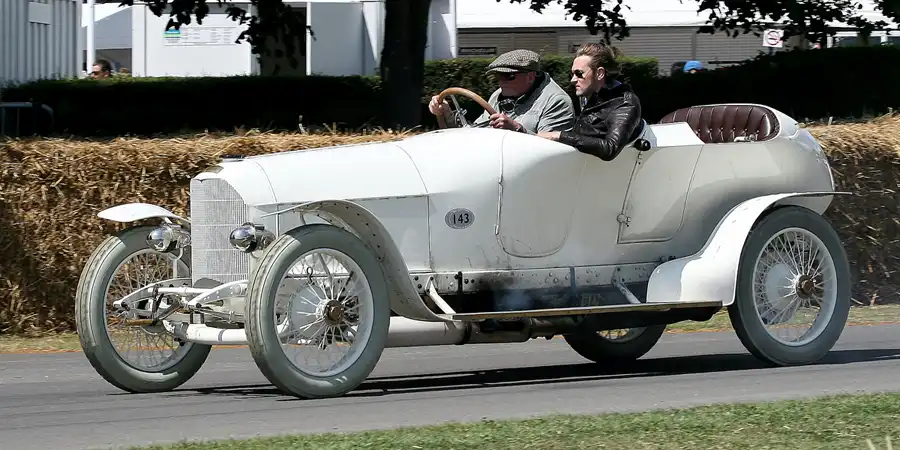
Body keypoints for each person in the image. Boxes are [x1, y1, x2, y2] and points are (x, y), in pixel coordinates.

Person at [537, 43, 644, 162]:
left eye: (579, 74)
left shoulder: (625, 103)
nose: (573, 80)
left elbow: (610, 148)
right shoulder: (589, 96)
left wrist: (559, 136)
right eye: (572, 74)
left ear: (600, 73)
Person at [428, 49, 575, 134]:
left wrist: (516, 129)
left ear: (530, 77)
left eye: (508, 76)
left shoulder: (556, 101)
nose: (501, 82)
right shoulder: (499, 95)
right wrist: (446, 114)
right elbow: (475, 133)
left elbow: (553, 150)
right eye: (498, 76)